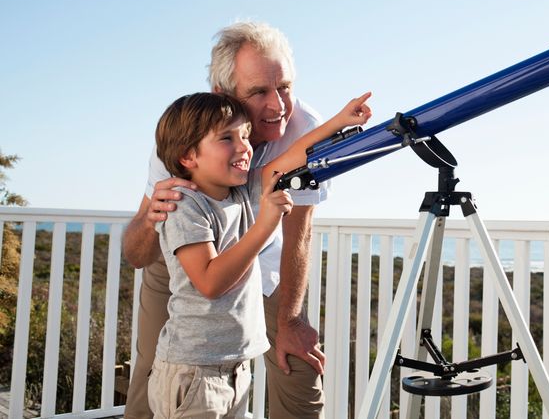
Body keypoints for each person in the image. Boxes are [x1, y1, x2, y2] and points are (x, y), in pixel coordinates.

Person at [123, 22, 338, 418]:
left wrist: (291, 320)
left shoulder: (302, 127)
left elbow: (299, 235)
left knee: (299, 371)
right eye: (259, 92)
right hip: (187, 261)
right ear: (223, 94)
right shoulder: (182, 135)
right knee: (154, 383)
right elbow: (142, 256)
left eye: (285, 87)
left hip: (265, 265)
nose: (278, 106)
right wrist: (150, 224)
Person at [146, 91, 370, 417]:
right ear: (188, 156)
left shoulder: (241, 189)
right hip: (193, 370)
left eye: (245, 135)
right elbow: (209, 282)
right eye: (227, 138)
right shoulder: (183, 203)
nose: (244, 146)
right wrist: (265, 225)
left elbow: (294, 155)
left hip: (234, 367)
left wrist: (340, 121)